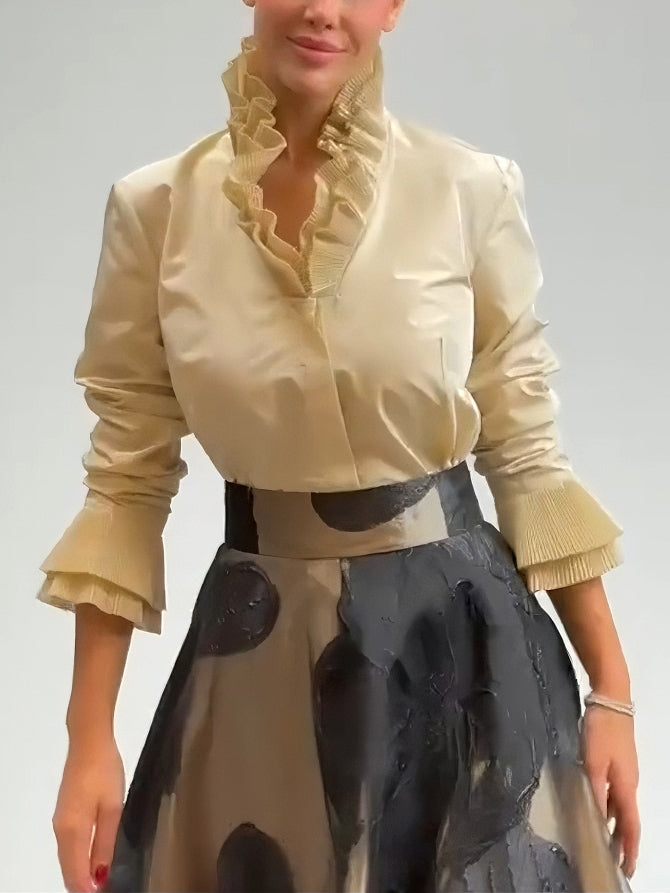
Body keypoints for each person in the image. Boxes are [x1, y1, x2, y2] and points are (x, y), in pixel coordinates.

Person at [37, 1, 641, 891]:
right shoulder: (155, 211)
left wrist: (611, 692)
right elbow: (126, 483)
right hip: (262, 660)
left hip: (469, 655)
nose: (322, 9)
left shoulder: (467, 188)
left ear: (392, 7)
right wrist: (88, 740)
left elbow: (526, 451)